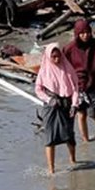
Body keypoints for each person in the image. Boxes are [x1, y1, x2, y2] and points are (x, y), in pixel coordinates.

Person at [35, 44, 80, 174]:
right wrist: (49, 99)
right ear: (49, 57)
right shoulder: (44, 71)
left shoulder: (67, 68)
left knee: (69, 135)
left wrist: (74, 104)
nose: (56, 59)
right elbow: (38, 89)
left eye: (58, 56)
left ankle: (73, 160)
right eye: (53, 57)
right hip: (51, 105)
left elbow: (75, 88)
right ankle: (51, 169)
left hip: (66, 104)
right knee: (50, 138)